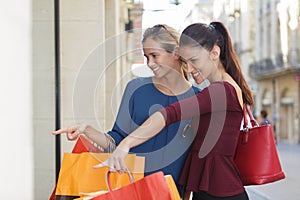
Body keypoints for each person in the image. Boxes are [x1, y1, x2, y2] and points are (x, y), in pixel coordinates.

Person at [96, 22, 254, 200]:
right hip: (212, 192)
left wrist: (126, 144)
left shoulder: (220, 91)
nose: (190, 69)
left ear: (214, 53)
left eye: (194, 61)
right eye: (186, 62)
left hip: (222, 194)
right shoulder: (218, 89)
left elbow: (169, 114)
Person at [52, 24, 201, 197]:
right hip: (132, 189)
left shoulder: (199, 100)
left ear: (176, 53)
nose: (150, 63)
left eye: (154, 56)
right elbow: (116, 142)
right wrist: (87, 130)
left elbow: (194, 161)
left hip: (171, 193)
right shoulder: (136, 89)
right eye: (146, 57)